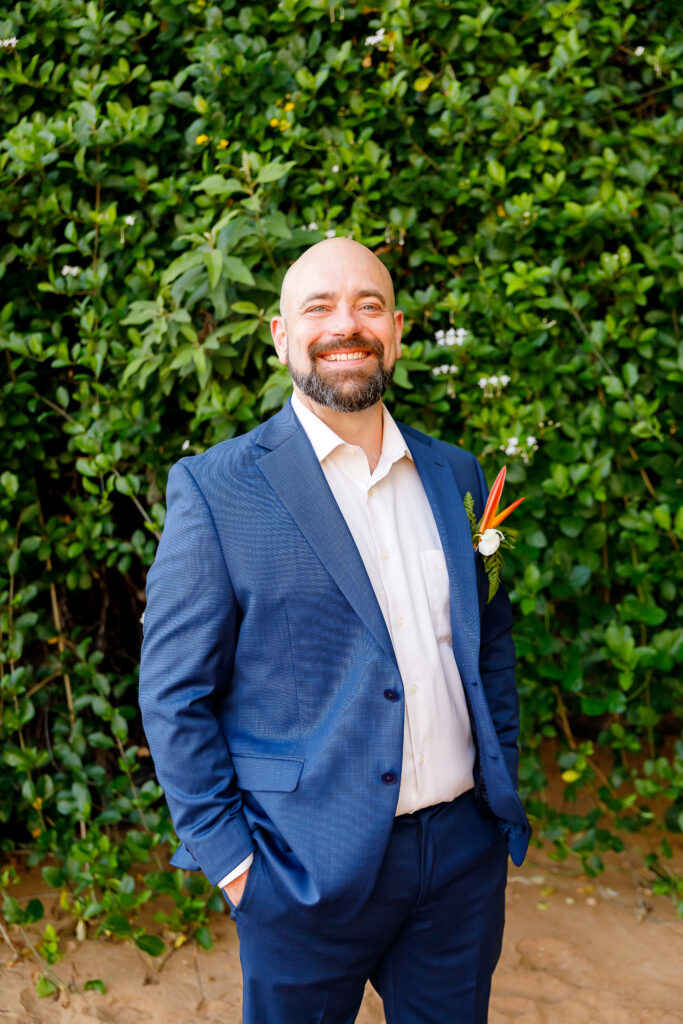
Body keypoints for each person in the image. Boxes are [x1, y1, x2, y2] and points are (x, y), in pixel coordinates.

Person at [139, 237, 530, 1024]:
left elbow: (486, 644)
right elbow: (174, 694)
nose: (344, 324)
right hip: (297, 869)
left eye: (369, 305)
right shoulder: (217, 489)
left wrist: (498, 795)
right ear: (282, 337)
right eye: (317, 306)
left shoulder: (455, 473)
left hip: (459, 863)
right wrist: (234, 862)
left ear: (396, 330)